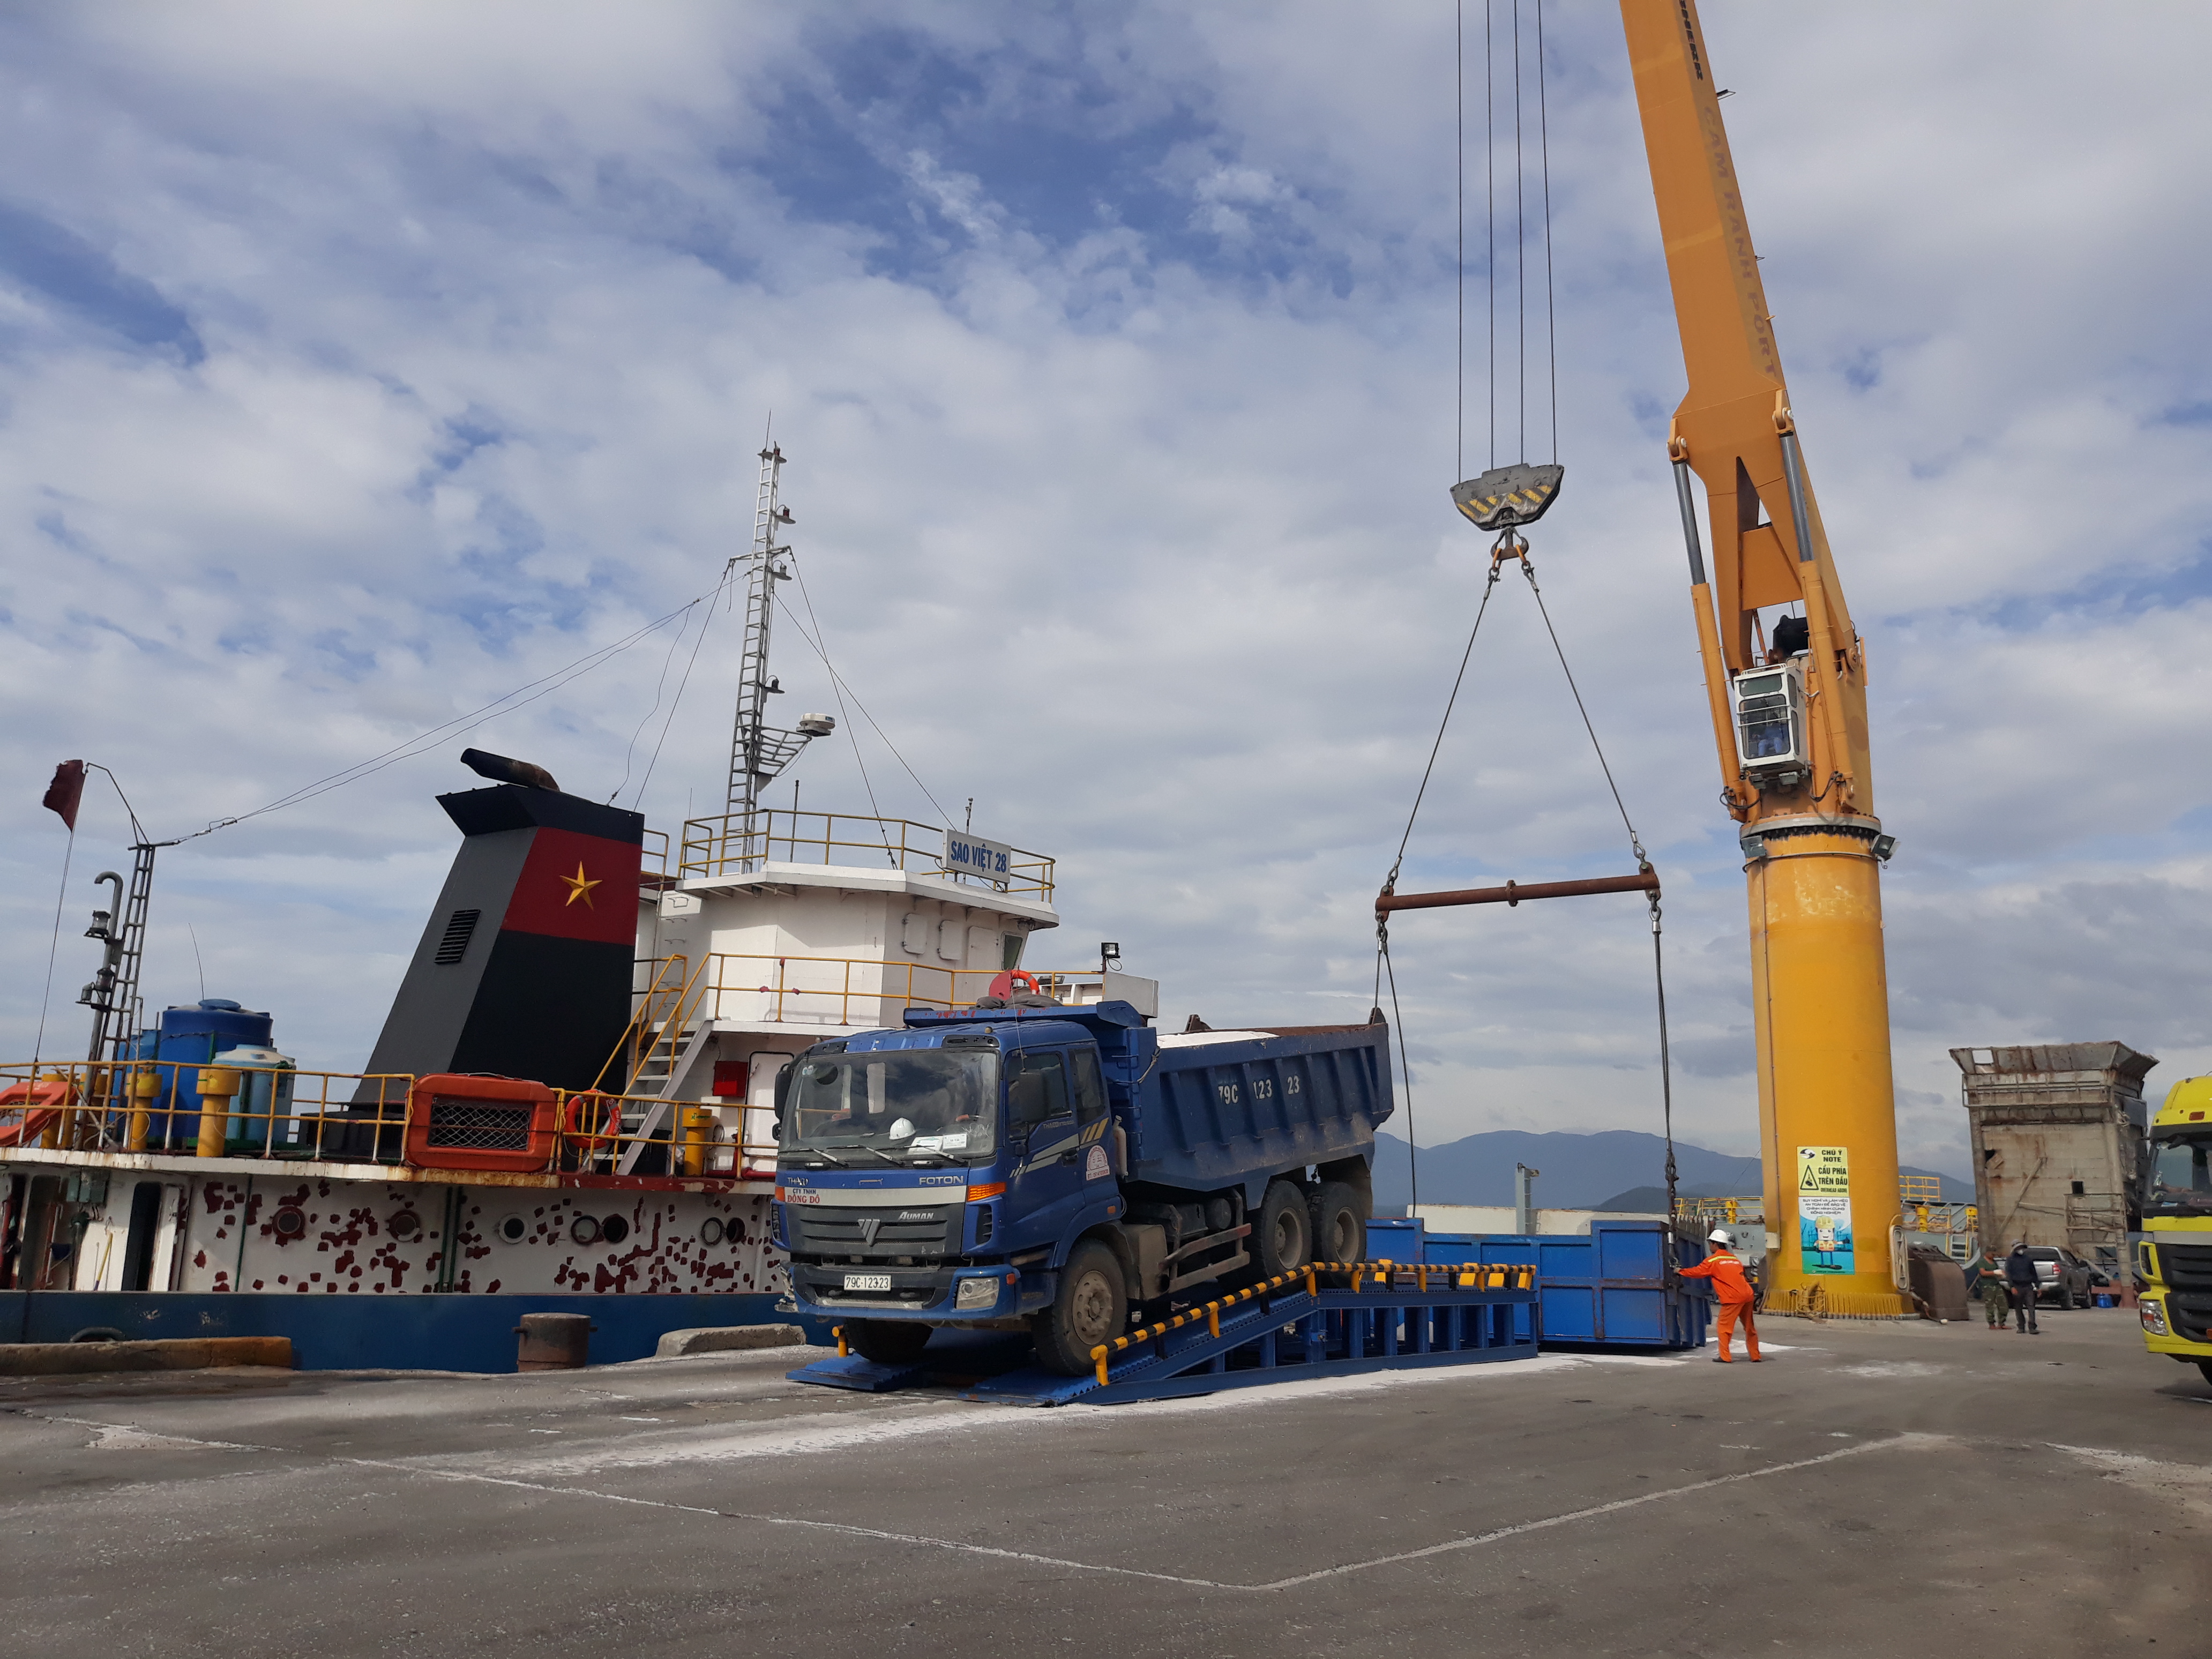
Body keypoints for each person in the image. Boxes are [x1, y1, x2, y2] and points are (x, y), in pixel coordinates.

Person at [1680, 1227, 1761, 1362]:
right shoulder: (1735, 1259)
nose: (1710, 1246)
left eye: (1710, 1243)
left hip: (1732, 1298)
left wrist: (1680, 1271)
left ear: (1715, 1244)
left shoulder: (1713, 1261)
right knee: (1749, 1327)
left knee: (1724, 1328)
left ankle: (1725, 1357)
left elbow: (1697, 1272)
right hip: (1747, 1295)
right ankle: (1755, 1356)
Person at [2003, 1240, 2042, 1334]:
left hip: (2028, 1286)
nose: (2021, 1250)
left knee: (2031, 1307)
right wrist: (2012, 1287)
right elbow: (2009, 1274)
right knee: (2018, 1308)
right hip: (2017, 1286)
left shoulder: (2028, 1259)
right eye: (2019, 1248)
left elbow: (2034, 1273)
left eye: (2022, 1248)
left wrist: (2038, 1286)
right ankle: (2021, 1326)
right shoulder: (2010, 1260)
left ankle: (2032, 1327)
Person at [1977, 1250, 2009, 1329]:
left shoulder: (1994, 1262)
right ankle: (1991, 1323)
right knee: (1990, 1305)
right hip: (1987, 1285)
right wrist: (1994, 1273)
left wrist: (2001, 1274)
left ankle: (2002, 1323)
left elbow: (1998, 1271)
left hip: (1996, 1284)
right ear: (1987, 1253)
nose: (1993, 1256)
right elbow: (1983, 1273)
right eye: (1992, 1254)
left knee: (2003, 1304)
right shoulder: (1982, 1261)